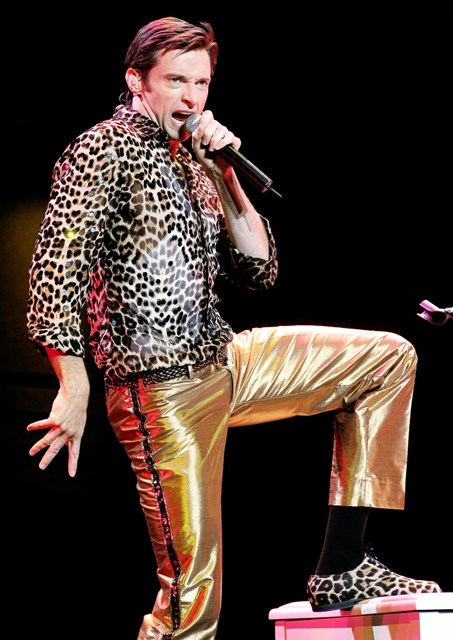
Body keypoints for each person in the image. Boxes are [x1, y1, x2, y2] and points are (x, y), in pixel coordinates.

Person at [26, 16, 441, 640]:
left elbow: (257, 269)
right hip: (160, 390)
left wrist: (225, 175)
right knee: (192, 603)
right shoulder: (103, 148)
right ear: (137, 81)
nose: (192, 98)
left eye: (202, 83)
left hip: (225, 359)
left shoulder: (196, 163)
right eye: (176, 81)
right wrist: (73, 383)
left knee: (385, 358)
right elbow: (55, 266)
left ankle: (343, 565)